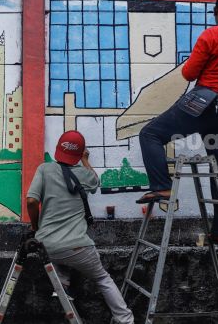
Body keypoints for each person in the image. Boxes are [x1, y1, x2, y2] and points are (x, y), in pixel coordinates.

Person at [136, 0, 218, 246]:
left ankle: (161, 186)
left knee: (151, 134)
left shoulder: (211, 34)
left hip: (205, 105)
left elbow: (190, 74)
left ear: (216, 10)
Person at [26, 130, 134, 324]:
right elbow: (95, 182)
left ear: (59, 148)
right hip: (78, 248)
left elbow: (32, 201)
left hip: (46, 245)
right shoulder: (85, 175)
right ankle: (125, 319)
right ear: (78, 154)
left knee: (57, 252)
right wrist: (85, 160)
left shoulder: (44, 169)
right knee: (102, 279)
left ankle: (64, 284)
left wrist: (36, 228)